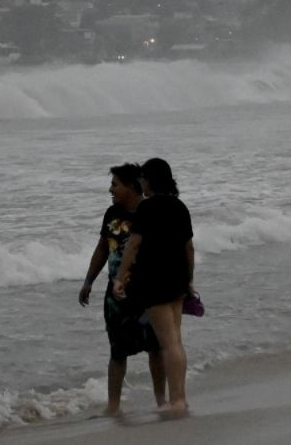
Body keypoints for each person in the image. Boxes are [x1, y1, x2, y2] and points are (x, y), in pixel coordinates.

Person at [79, 163, 166, 416]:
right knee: (117, 350)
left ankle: (162, 402)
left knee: (156, 348)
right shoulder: (112, 213)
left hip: (148, 291)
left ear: (130, 186)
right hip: (116, 296)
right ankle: (113, 407)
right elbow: (103, 248)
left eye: (115, 184)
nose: (111, 189)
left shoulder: (150, 211)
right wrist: (88, 281)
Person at [112, 158, 194, 418]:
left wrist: (120, 277)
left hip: (154, 281)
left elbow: (133, 245)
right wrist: (189, 279)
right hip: (178, 279)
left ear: (151, 180)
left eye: (143, 178)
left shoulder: (147, 208)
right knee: (176, 340)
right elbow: (188, 247)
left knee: (168, 343)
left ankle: (177, 400)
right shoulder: (180, 207)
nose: (141, 183)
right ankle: (179, 398)